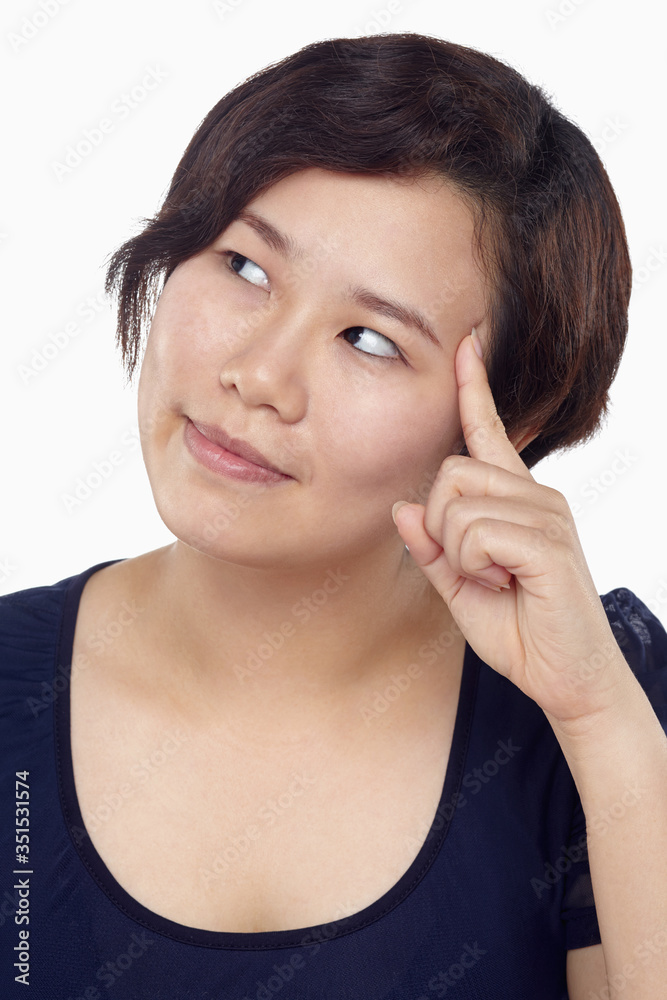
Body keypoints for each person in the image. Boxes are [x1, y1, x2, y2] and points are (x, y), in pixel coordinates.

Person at [1, 31, 666, 1000]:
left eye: (369, 339)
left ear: (504, 425)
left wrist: (599, 721)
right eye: (245, 268)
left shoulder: (603, 706)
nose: (258, 376)